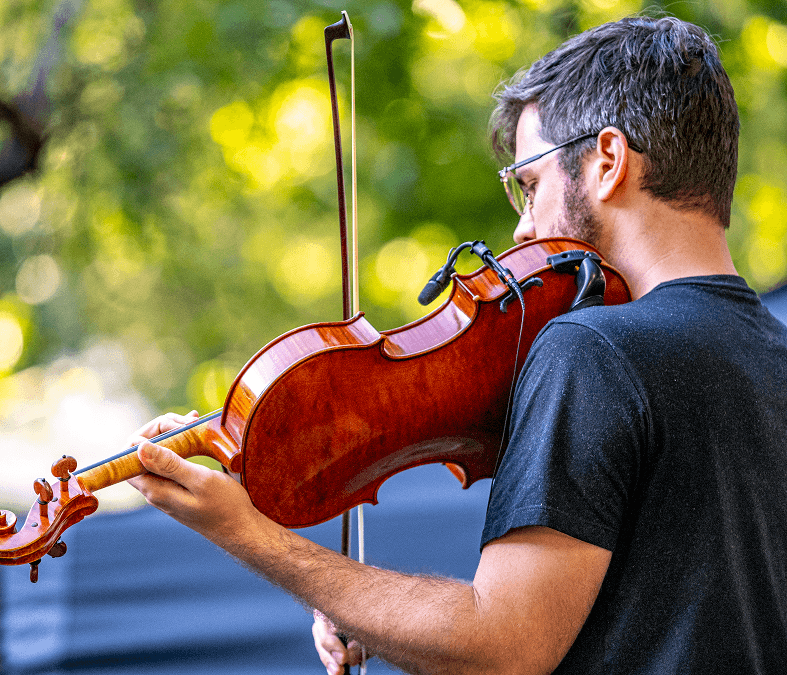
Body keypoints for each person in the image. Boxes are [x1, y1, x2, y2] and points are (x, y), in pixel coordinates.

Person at [126, 15, 787, 674]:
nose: (525, 227)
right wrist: (376, 612)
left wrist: (247, 533)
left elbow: (502, 643)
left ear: (607, 161)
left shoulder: (593, 350)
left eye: (529, 184)